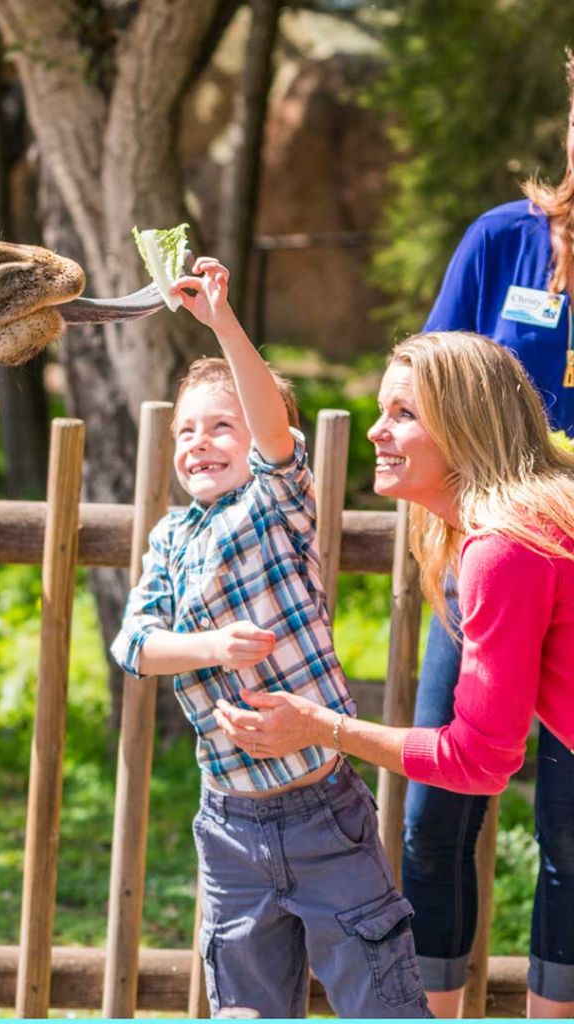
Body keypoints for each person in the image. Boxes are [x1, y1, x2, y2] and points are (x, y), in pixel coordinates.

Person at [214, 330, 574, 1019]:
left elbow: (480, 761)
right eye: (383, 410)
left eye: (404, 414)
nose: (376, 431)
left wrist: (322, 728)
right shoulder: (533, 518)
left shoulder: (506, 547)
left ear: (465, 424)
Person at [110, 257, 430, 1019]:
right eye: (187, 430)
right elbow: (136, 645)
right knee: (246, 1008)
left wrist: (222, 321)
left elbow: (270, 430)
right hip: (228, 826)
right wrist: (214, 647)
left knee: (380, 1000)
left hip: (324, 813)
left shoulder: (275, 505)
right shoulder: (170, 539)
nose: (199, 442)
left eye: (221, 426)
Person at [401, 48, 574, 1017]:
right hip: (487, 570)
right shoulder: (502, 240)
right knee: (434, 820)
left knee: (571, 838)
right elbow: (428, 386)